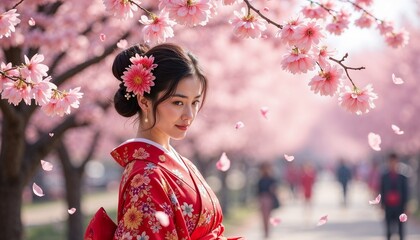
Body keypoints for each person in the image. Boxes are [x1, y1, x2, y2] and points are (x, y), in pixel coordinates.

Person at [86, 43, 242, 239]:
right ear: (144, 101)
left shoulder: (179, 163)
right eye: (178, 102)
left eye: (194, 102)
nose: (189, 114)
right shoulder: (145, 177)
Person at [380, 153, 409, 240]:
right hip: (388, 206)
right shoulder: (384, 177)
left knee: (401, 229)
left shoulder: (402, 177)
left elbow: (406, 192)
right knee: (388, 229)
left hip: (400, 206)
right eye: (391, 161)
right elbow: (382, 190)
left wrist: (406, 205)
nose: (392, 163)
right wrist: (382, 204)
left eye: (394, 161)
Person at [256, 162, 279, 239]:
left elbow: (275, 189)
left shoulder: (271, 179)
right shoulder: (260, 179)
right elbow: (258, 191)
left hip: (269, 199)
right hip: (263, 199)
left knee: (268, 216)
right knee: (263, 217)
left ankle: (268, 231)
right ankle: (265, 231)